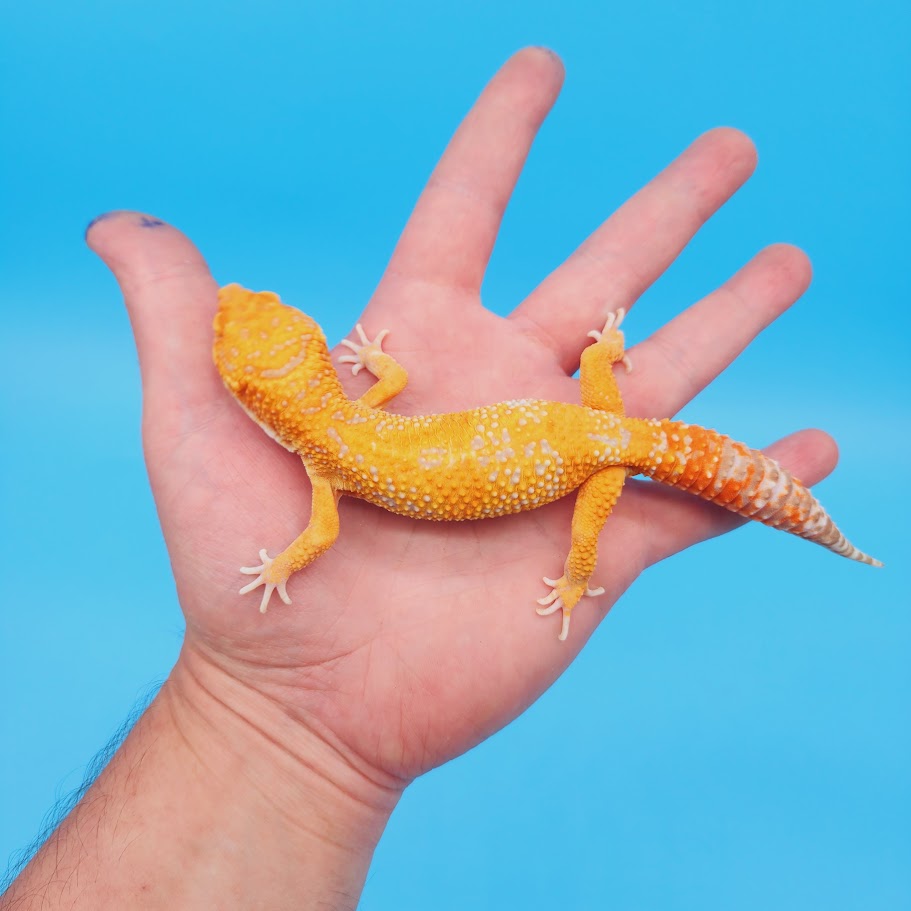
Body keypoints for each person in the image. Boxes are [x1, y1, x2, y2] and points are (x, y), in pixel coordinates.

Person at [1, 48, 832, 909]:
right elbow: (383, 392)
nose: (244, 296)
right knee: (616, 437)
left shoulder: (333, 457)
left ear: (263, 393)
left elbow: (319, 534)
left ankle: (655, 540)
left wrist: (282, 567)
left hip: (596, 449)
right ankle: (642, 399)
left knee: (598, 514)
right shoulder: (352, 427)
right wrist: (594, 357)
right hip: (586, 424)